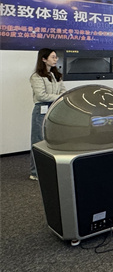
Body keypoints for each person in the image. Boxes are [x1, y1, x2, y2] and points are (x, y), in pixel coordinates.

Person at [29, 48, 66, 180]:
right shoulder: (36, 76)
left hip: (54, 108)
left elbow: (63, 91)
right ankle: (36, 172)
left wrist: (59, 97)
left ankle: (51, 169)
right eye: (53, 57)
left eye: (56, 57)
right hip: (41, 109)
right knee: (38, 140)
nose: (56, 59)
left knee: (54, 139)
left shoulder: (56, 75)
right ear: (44, 59)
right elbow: (41, 96)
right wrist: (58, 97)